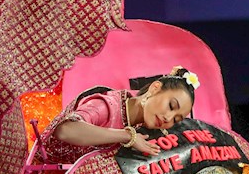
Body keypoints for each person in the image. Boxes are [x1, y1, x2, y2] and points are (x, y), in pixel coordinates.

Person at [38, 66, 198, 164]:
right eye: (171, 106)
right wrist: (128, 136)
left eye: (176, 119)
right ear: (155, 88)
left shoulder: (142, 131)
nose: (168, 119)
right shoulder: (107, 105)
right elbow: (65, 130)